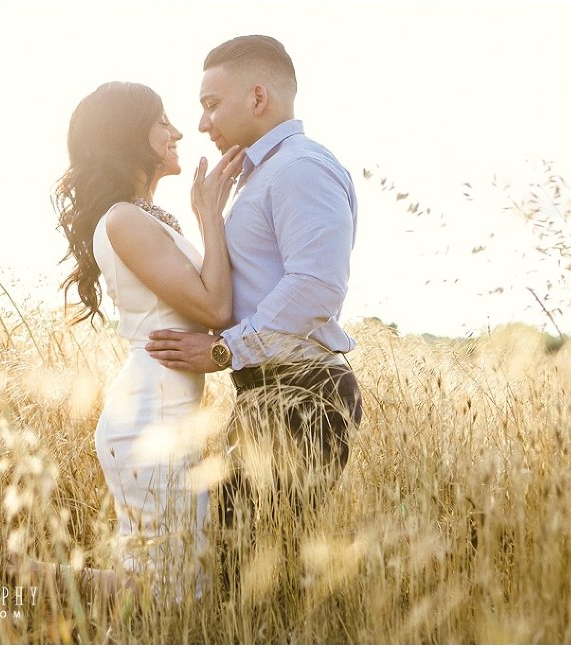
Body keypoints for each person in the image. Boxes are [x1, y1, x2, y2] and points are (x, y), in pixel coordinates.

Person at [0, 81, 244, 605]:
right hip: (149, 414)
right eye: (162, 120)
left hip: (165, 410)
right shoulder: (123, 220)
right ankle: (13, 570)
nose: (178, 131)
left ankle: (17, 570)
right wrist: (209, 215)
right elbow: (215, 309)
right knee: (168, 595)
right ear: (128, 134)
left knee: (181, 588)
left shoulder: (143, 217)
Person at [144, 35, 364, 593]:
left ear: (258, 96)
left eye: (212, 104)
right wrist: (207, 217)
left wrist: (224, 350)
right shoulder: (257, 176)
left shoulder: (300, 169)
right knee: (245, 568)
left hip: (303, 392)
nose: (200, 123)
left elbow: (317, 287)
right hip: (271, 392)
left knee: (247, 575)